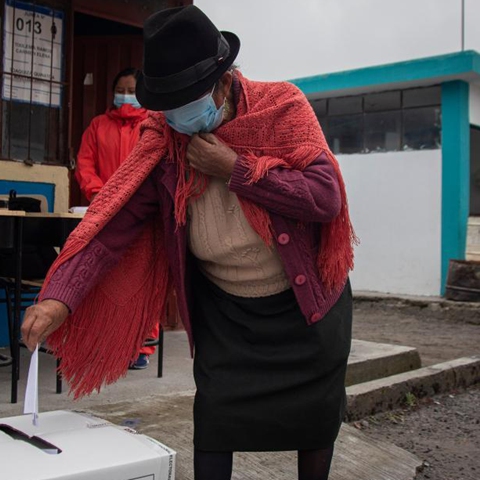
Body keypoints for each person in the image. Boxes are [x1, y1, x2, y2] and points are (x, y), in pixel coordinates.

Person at [21, 6, 356, 480]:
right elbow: (113, 224)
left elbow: (325, 197)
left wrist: (235, 170)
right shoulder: (162, 138)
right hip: (227, 315)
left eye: (188, 100)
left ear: (223, 83)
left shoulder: (282, 108)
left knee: (315, 428)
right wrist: (59, 299)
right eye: (169, 105)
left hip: (307, 311)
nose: (179, 116)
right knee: (216, 425)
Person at [75, 67, 158, 370]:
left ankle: (142, 346)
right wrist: (97, 194)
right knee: (103, 277)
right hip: (103, 213)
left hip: (142, 213)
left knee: (141, 279)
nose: (125, 95)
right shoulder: (98, 125)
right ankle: (106, 342)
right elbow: (85, 164)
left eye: (131, 90)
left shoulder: (153, 125)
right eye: (120, 89)